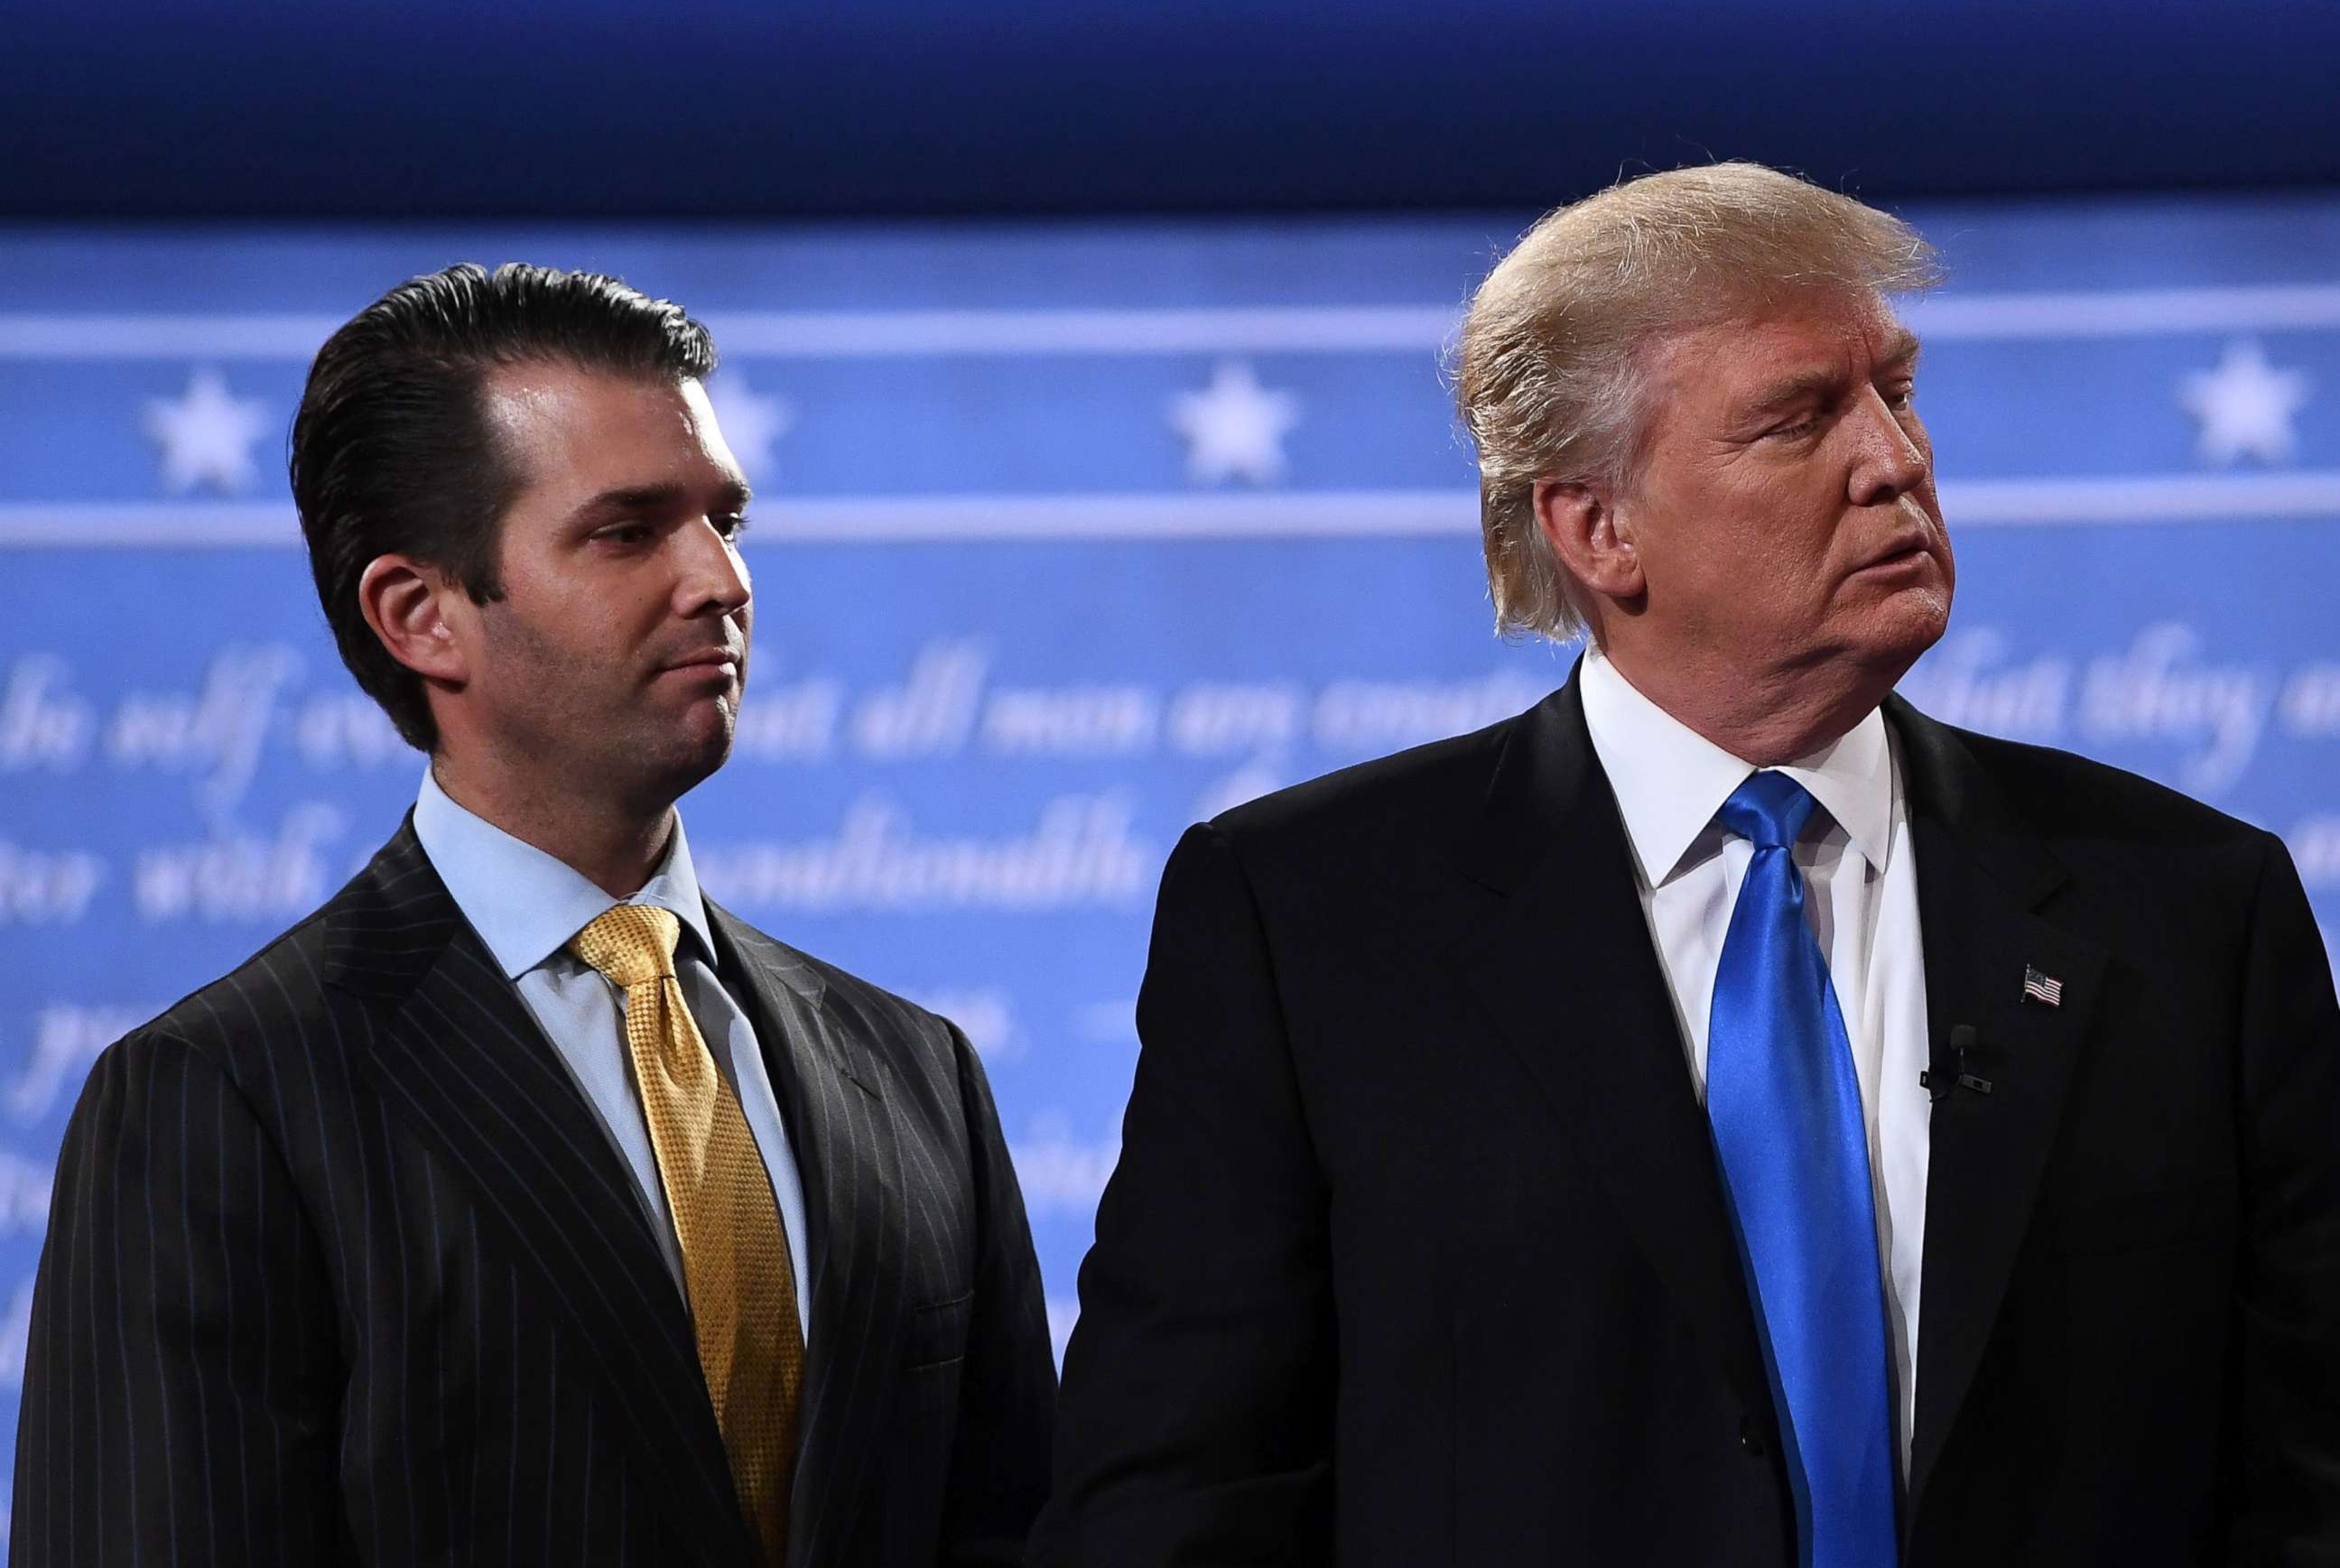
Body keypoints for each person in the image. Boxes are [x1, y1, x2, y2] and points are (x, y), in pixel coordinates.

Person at [1033, 164, 2340, 1566]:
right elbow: (1169, 1507)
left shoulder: (2193, 909)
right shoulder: (1306, 922)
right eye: (1801, 419)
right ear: (1600, 527)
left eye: (1897, 391)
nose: (1896, 459)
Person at [13, 264, 1055, 1567]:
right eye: (629, 531)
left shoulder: (919, 1074)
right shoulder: (221, 1100)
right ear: (420, 615)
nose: (720, 578)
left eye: (727, 518)